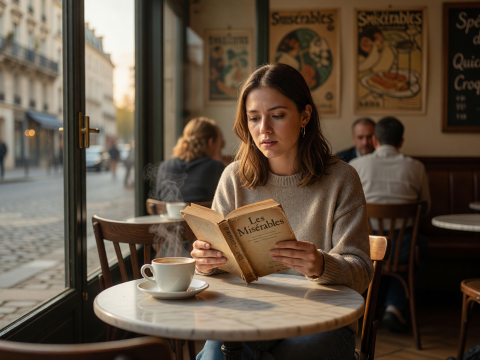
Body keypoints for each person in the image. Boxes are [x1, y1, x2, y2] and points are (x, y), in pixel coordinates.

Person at [192, 63, 373, 360]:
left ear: (304, 115)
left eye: (277, 115)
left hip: (322, 320)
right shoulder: (234, 178)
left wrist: (320, 264)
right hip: (248, 316)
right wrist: (205, 264)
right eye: (254, 118)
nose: (264, 129)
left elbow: (362, 272)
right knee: (216, 355)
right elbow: (219, 273)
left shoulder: (342, 179)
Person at [349, 117, 430, 333]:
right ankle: (394, 307)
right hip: (403, 247)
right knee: (419, 246)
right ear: (401, 142)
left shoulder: (356, 166)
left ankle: (364, 307)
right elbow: (426, 207)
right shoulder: (417, 167)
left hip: (367, 247)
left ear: (375, 140)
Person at [156, 117, 226, 203]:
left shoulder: (165, 166)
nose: (222, 147)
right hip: (201, 216)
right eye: (221, 143)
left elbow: (159, 198)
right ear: (210, 142)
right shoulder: (216, 167)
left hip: (169, 216)